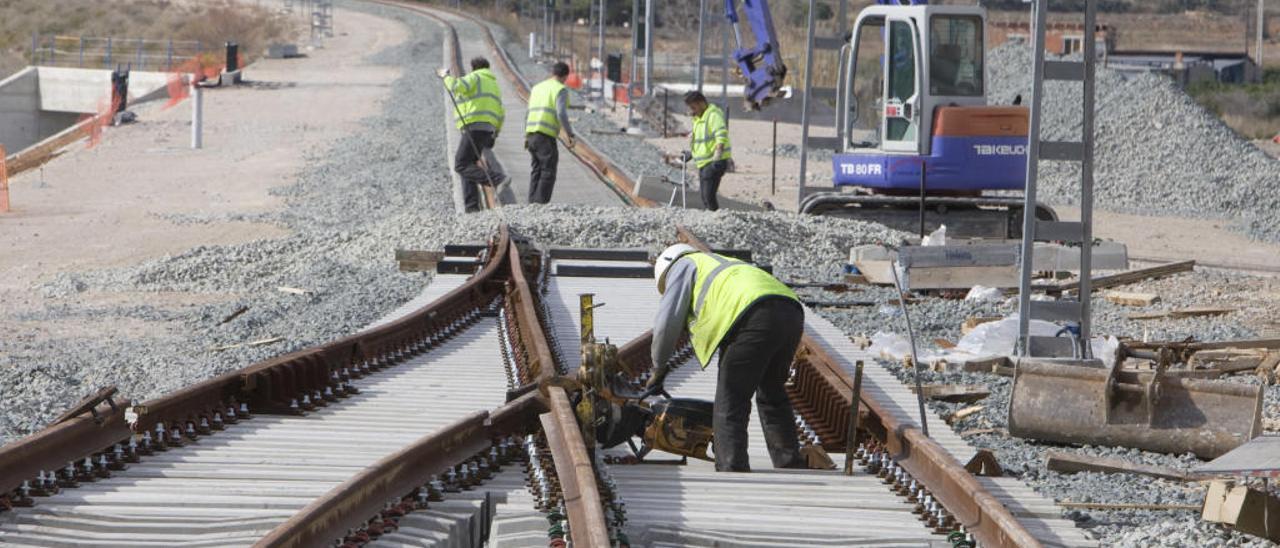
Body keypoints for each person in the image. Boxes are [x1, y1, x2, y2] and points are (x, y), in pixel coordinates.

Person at [647, 243, 806, 472]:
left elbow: (666, 323)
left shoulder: (682, 266)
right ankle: (789, 459)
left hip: (752, 316)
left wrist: (659, 367)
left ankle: (732, 465)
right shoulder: (721, 263)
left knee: (731, 395)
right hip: (790, 311)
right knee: (772, 391)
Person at [438, 57, 506, 212]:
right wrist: (496, 133)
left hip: (474, 126)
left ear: (473, 68)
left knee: (460, 164)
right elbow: (501, 112)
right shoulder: (494, 84)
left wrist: (445, 76)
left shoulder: (476, 77)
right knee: (468, 165)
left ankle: (498, 179)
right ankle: (471, 208)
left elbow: (457, 86)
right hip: (487, 129)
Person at [525, 62, 576, 204]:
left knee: (536, 169)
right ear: (565, 76)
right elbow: (561, 113)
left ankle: (531, 203)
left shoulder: (537, 88)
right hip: (545, 135)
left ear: (553, 73)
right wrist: (570, 134)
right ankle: (539, 205)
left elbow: (528, 112)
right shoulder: (560, 89)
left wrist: (526, 135)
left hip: (531, 133)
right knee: (548, 170)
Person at [684, 91, 732, 211]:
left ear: (701, 103)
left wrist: (718, 153)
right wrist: (692, 154)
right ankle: (711, 218)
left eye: (693, 107)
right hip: (704, 163)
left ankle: (714, 219)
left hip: (714, 161)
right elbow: (701, 141)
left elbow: (721, 134)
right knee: (704, 197)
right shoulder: (699, 119)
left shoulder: (713, 115)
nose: (692, 110)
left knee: (708, 196)